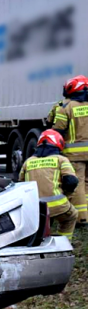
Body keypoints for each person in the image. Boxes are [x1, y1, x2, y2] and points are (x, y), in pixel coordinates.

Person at [19, 129, 79, 240]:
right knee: (71, 216)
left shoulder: (28, 162)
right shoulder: (61, 160)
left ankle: (43, 240)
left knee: (42, 224)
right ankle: (64, 242)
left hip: (35, 207)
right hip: (58, 206)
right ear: (59, 143)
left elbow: (20, 185)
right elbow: (71, 181)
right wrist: (67, 195)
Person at [53, 75, 88, 224]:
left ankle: (82, 218)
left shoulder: (65, 107)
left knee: (78, 184)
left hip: (74, 155)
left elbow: (57, 130)